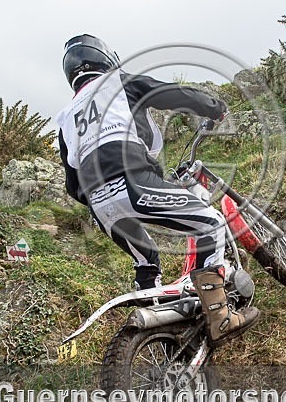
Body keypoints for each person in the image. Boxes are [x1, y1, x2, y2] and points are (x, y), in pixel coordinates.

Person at [56, 34, 260, 347]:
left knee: (147, 260)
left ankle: (159, 332)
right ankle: (219, 317)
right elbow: (170, 94)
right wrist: (214, 107)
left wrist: (102, 195)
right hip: (133, 184)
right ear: (105, 59)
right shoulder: (116, 84)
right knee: (211, 224)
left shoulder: (66, 117)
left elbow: (72, 183)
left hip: (99, 205)